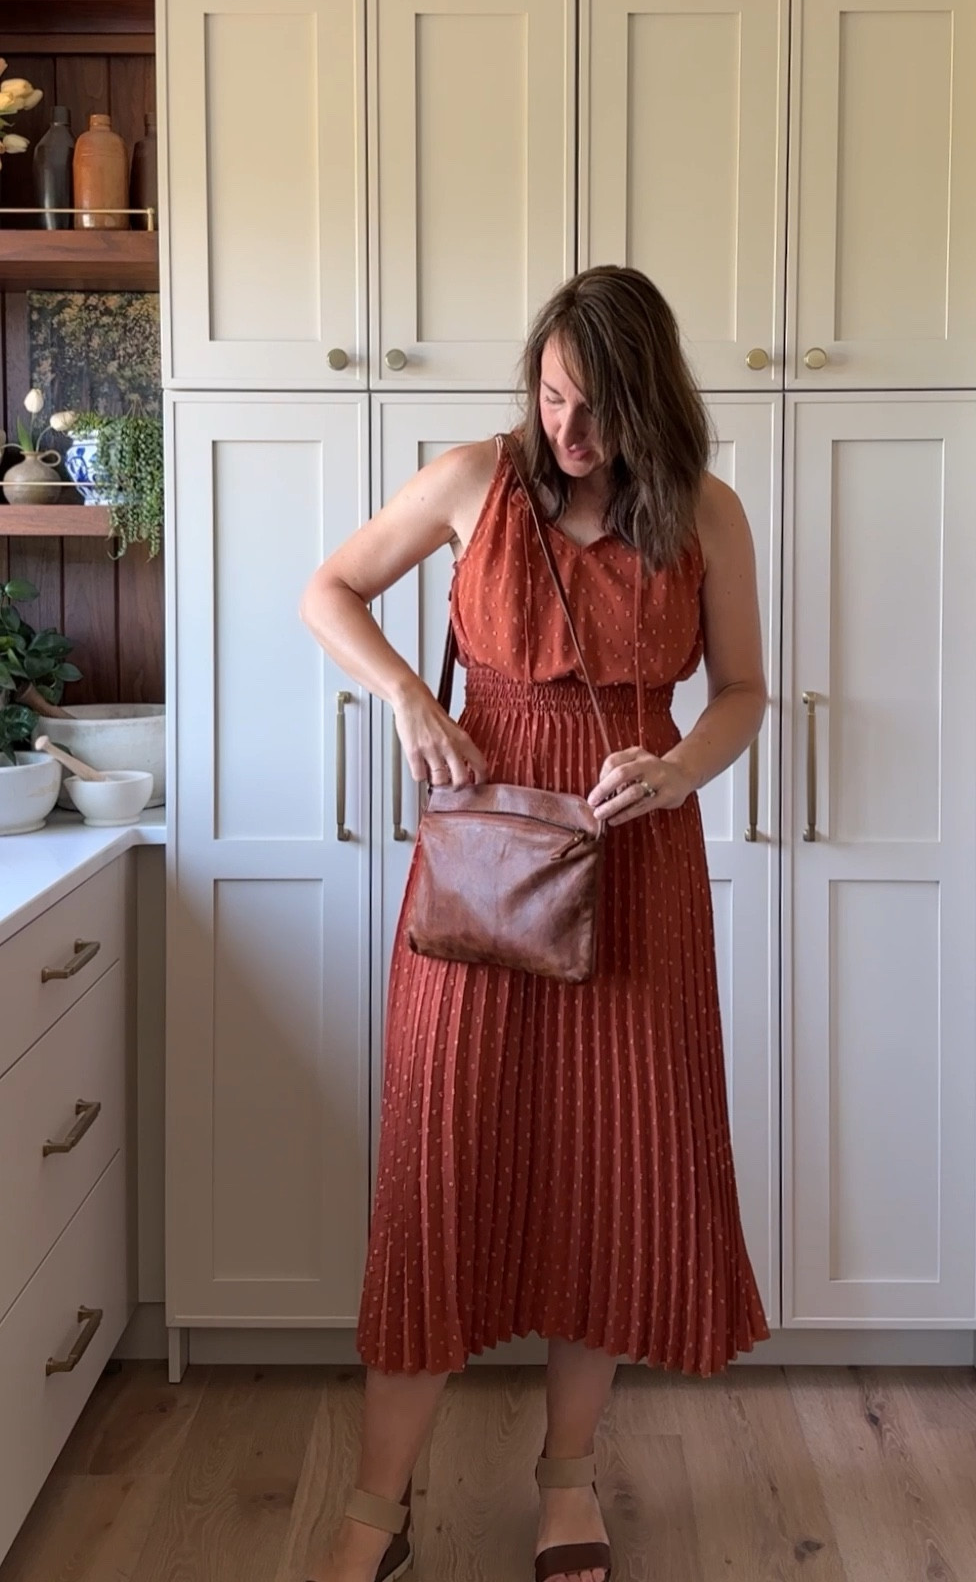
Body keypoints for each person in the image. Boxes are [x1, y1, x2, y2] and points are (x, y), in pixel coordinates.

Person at [299, 266, 771, 1582]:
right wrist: (411, 697)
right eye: (555, 395)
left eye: (597, 406)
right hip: (482, 871)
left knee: (612, 1179)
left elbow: (742, 692)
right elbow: (328, 591)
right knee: (439, 1174)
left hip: (635, 868)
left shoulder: (707, 514)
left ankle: (568, 1480)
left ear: (650, 402)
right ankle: (375, 1505)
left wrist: (678, 768)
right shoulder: (471, 481)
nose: (569, 428)